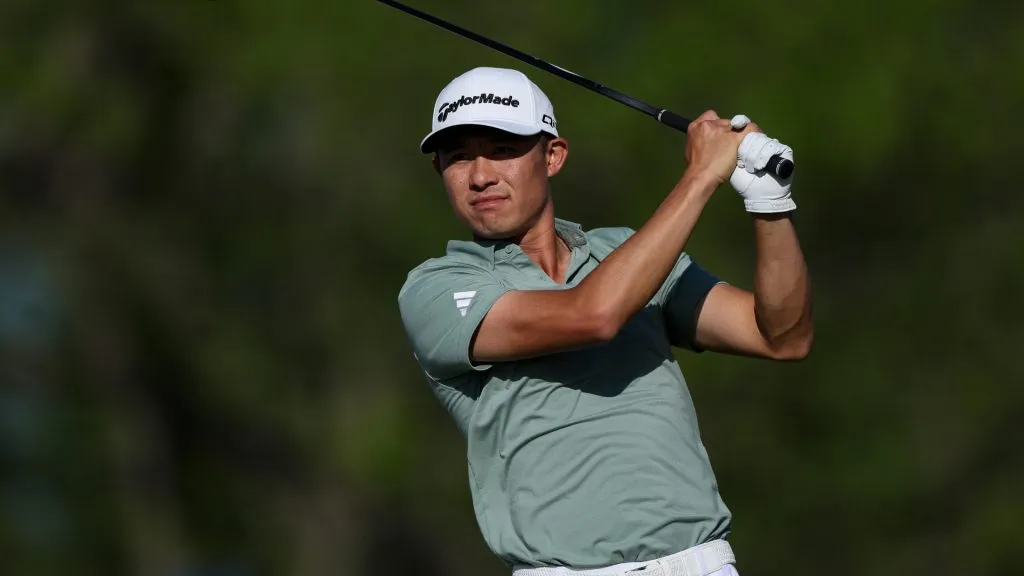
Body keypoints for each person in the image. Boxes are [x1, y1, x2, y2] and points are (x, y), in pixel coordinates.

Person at [397, 66, 813, 576]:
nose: (480, 175)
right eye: (458, 158)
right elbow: (592, 315)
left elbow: (782, 337)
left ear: (553, 156)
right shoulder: (438, 288)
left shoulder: (623, 253)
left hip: (703, 563)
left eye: (503, 149)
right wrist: (701, 175)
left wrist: (769, 202)